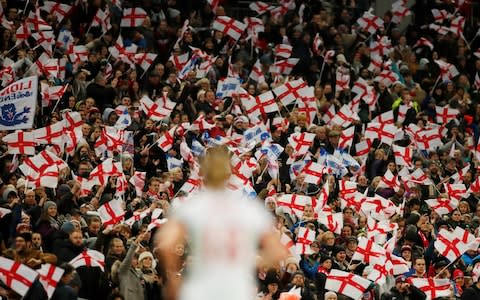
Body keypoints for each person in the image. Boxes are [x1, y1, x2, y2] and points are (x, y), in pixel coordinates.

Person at [156, 145, 286, 300]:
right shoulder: (247, 208)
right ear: (227, 175)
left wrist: (173, 279)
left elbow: (165, 243)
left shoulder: (191, 206)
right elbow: (278, 251)